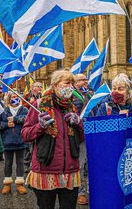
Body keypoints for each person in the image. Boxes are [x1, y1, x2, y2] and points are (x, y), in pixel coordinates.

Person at [22, 69, 84, 209]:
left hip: (70, 171)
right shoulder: (39, 105)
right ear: (55, 85)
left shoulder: (72, 106)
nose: (70, 87)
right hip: (46, 170)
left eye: (72, 84)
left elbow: (80, 138)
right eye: (67, 83)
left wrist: (78, 122)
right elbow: (25, 134)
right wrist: (41, 126)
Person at [0, 91, 28, 195]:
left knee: (20, 163)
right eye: (13, 97)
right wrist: (6, 125)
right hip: (7, 142)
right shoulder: (3, 111)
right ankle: (7, 184)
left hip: (21, 142)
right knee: (8, 164)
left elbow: (28, 120)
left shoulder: (24, 109)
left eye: (17, 97)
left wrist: (15, 119)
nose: (15, 99)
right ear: (9, 99)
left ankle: (19, 184)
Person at [72, 74, 94, 205]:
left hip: (93, 134)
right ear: (75, 83)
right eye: (81, 80)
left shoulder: (90, 95)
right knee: (80, 164)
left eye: (86, 79)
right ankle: (81, 192)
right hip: (80, 135)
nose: (85, 82)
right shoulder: (72, 96)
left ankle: (93, 189)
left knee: (91, 164)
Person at [23, 82, 42, 173]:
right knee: (28, 146)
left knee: (36, 146)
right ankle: (26, 164)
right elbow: (22, 107)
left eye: (40, 87)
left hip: (39, 122)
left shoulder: (42, 96)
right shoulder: (26, 96)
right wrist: (29, 103)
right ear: (32, 88)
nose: (39, 88)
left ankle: (33, 163)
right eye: (37, 86)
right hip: (29, 121)